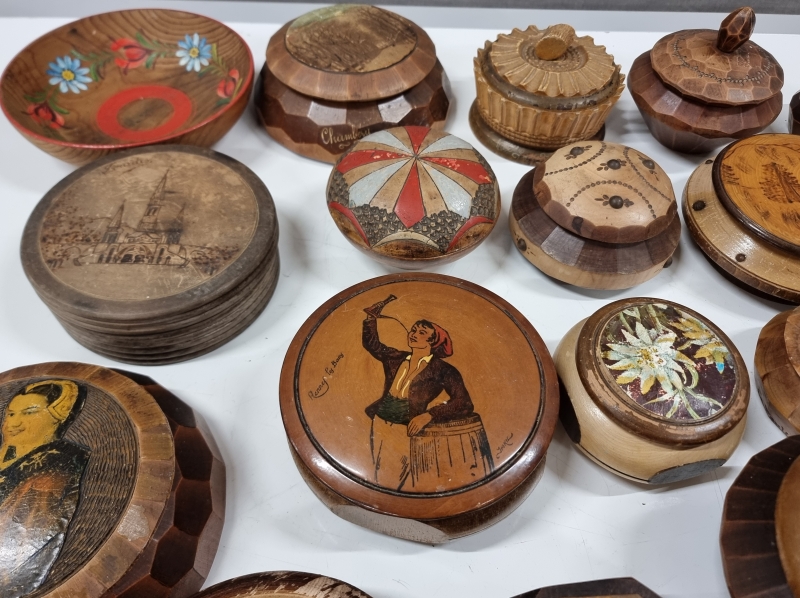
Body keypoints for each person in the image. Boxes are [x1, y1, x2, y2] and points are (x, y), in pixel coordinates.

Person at [362, 299, 493, 492]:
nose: (413, 334)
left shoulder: (443, 370)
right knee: (375, 471)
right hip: (379, 422)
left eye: (421, 332)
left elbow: (464, 403)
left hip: (406, 430)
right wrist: (370, 318)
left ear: (433, 341)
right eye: (413, 330)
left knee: (394, 479)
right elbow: (373, 344)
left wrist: (429, 415)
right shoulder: (396, 357)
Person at [0, 380, 90, 597]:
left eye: (30, 413)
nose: (14, 423)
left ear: (57, 417)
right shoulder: (7, 456)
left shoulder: (56, 467)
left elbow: (22, 544)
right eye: (11, 414)